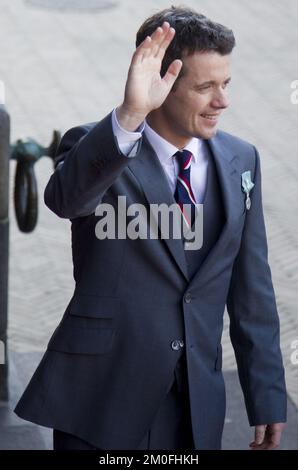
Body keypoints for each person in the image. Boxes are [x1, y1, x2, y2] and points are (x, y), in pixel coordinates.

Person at [15, 6, 287, 450]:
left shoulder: (242, 159)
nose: (223, 101)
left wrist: (267, 395)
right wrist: (128, 115)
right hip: (102, 398)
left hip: (197, 403)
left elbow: (253, 289)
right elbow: (66, 200)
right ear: (161, 85)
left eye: (225, 83)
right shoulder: (96, 145)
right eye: (205, 87)